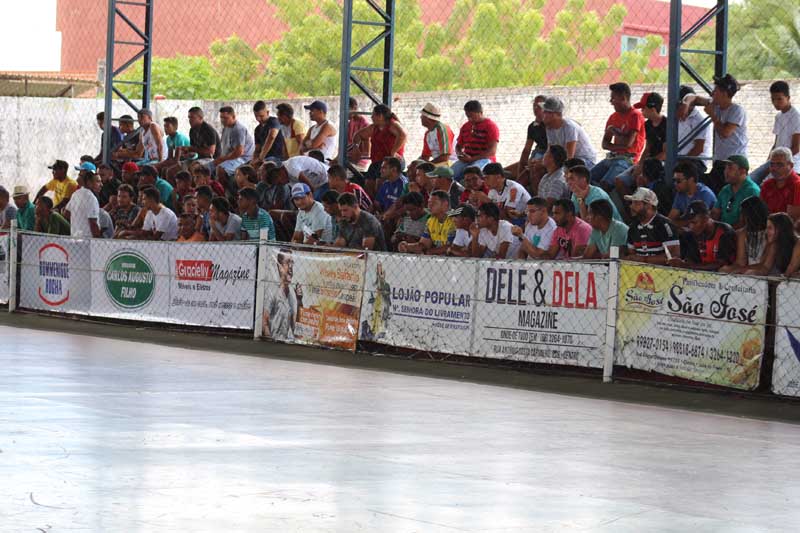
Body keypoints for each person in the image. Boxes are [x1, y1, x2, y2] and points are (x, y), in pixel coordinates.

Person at [686, 74, 748, 193]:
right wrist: (686, 103)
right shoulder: (716, 106)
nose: (712, 93)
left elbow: (725, 133)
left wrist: (713, 116)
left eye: (716, 91)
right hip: (720, 161)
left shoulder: (736, 110)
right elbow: (696, 98)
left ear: (724, 93)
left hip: (734, 161)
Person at [590, 82, 646, 189]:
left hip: (628, 160)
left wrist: (614, 132)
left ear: (623, 98)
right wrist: (619, 144)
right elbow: (605, 144)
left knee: (605, 184)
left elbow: (629, 144)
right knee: (586, 178)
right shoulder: (613, 117)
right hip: (612, 157)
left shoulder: (635, 115)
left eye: (613, 98)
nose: (611, 102)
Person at [751, 81, 800, 183]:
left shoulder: (796, 117)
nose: (775, 103)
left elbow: (796, 148)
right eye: (773, 99)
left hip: (790, 163)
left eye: (779, 99)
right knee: (752, 180)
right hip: (776, 160)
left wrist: (778, 163)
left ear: (788, 98)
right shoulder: (778, 117)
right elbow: (776, 143)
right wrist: (769, 160)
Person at [616, 92, 665, 193]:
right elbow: (647, 147)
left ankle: (642, 203)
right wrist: (640, 164)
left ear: (653, 109)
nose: (641, 111)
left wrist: (645, 166)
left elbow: (665, 154)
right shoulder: (648, 124)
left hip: (660, 163)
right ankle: (630, 205)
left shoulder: (666, 124)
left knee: (641, 180)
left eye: (643, 108)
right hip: (648, 161)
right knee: (619, 180)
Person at [351, 104, 407, 193]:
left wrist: (394, 151)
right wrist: (356, 147)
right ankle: (372, 204)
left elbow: (403, 135)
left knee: (379, 183)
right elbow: (358, 135)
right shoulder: (374, 127)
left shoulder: (392, 124)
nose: (372, 117)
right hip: (377, 162)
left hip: (391, 162)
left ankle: (380, 203)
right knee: (368, 183)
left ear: (380, 116)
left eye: (373, 115)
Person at [670, 201, 736, 271]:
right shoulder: (692, 234)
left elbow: (720, 265)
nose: (690, 226)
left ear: (706, 219)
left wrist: (687, 265)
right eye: (688, 223)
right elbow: (691, 260)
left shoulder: (724, 232)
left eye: (694, 222)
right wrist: (680, 263)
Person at [624, 187, 680, 264]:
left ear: (648, 206)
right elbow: (632, 255)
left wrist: (643, 259)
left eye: (636, 203)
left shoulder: (665, 225)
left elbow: (673, 256)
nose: (631, 206)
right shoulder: (633, 227)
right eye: (632, 203)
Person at [541, 96, 597, 167]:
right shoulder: (549, 128)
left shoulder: (570, 127)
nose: (543, 114)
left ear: (556, 114)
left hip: (585, 160)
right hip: (570, 160)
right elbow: (550, 151)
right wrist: (541, 162)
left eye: (546, 112)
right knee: (540, 167)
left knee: (568, 169)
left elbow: (569, 157)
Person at [451, 100, 500, 180]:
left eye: (472, 116)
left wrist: (472, 159)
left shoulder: (490, 126)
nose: (470, 119)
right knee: (449, 174)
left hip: (485, 159)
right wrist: (460, 154)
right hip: (467, 159)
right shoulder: (466, 126)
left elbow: (492, 151)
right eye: (468, 116)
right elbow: (458, 146)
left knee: (472, 175)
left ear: (480, 112)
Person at [721, 196, 770, 274]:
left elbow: (765, 265)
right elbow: (740, 262)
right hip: (748, 271)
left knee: (750, 272)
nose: (740, 217)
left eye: (742, 213)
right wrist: (729, 269)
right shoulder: (742, 233)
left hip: (765, 271)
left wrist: (740, 269)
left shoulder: (770, 231)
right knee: (723, 270)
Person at [398, 191, 454, 255]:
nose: (430, 206)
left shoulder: (454, 220)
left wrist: (429, 251)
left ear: (445, 204)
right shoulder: (431, 221)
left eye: (434, 203)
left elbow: (452, 247)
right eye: (429, 202)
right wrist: (407, 246)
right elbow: (423, 244)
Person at [509, 95, 548, 187]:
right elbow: (527, 149)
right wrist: (522, 166)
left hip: (548, 154)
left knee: (533, 172)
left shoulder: (550, 124)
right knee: (507, 171)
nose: (535, 108)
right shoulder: (533, 126)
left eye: (539, 106)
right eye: (534, 106)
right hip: (538, 154)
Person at [711, 155, 760, 228]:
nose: (725, 172)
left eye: (730, 168)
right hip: (723, 231)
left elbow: (744, 223)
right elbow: (715, 213)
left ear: (742, 171)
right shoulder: (725, 189)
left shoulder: (752, 191)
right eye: (725, 168)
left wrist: (724, 231)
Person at [214, 106, 255, 191]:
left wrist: (222, 159)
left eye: (225, 118)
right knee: (205, 167)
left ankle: (224, 194)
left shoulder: (238, 129)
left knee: (220, 169)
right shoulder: (226, 127)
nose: (222, 120)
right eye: (221, 117)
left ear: (233, 117)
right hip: (232, 158)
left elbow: (239, 152)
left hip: (243, 159)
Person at [263, 250, 301, 342]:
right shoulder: (273, 291)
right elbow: (264, 322)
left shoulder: (292, 294)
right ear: (280, 267)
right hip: (274, 341)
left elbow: (294, 326)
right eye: (288, 263)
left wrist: (299, 301)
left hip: (287, 341)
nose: (291, 267)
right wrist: (270, 340)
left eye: (292, 263)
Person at [676, 85, 713, 175]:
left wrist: (681, 162)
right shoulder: (675, 118)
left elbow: (698, 148)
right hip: (678, 157)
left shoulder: (699, 120)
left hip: (696, 160)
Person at [668, 160, 717, 226]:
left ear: (691, 180)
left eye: (678, 181)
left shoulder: (705, 194)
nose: (675, 184)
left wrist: (678, 223)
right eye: (674, 180)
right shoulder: (681, 193)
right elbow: (670, 219)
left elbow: (699, 222)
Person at [759, 147, 800, 218]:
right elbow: (760, 211)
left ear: (791, 165)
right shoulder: (767, 184)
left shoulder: (797, 185)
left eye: (780, 165)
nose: (774, 168)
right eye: (772, 164)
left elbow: (792, 220)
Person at [179, 107, 220, 171]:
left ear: (200, 118)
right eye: (189, 117)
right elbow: (193, 150)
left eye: (192, 117)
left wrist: (191, 149)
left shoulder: (208, 130)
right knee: (176, 167)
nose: (190, 120)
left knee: (193, 167)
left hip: (213, 159)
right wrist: (186, 153)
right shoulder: (192, 130)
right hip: (200, 158)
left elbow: (210, 152)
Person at [64, 170, 100, 238]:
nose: (101, 184)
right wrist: (98, 240)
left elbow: (66, 213)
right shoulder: (91, 198)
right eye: (98, 181)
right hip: (88, 240)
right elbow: (93, 223)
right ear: (89, 183)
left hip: (74, 236)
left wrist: (77, 222)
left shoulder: (76, 194)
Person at [418, 102, 456, 166]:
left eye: (422, 115)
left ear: (428, 119)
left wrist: (427, 165)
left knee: (423, 172)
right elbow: (425, 156)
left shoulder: (442, 129)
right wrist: (416, 163)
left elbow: (445, 157)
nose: (420, 117)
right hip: (439, 163)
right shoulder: (428, 134)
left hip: (450, 162)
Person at [251, 101, 285, 165]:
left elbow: (271, 137)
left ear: (267, 112)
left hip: (276, 157)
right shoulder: (257, 129)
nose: (258, 119)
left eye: (261, 116)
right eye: (256, 116)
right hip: (264, 158)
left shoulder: (274, 121)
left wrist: (260, 158)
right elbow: (257, 149)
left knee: (262, 167)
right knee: (244, 168)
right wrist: (253, 161)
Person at [347, 97, 371, 171]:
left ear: (354, 108)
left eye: (347, 109)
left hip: (359, 161)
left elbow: (366, 152)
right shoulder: (350, 123)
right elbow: (346, 145)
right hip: (349, 159)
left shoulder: (364, 124)